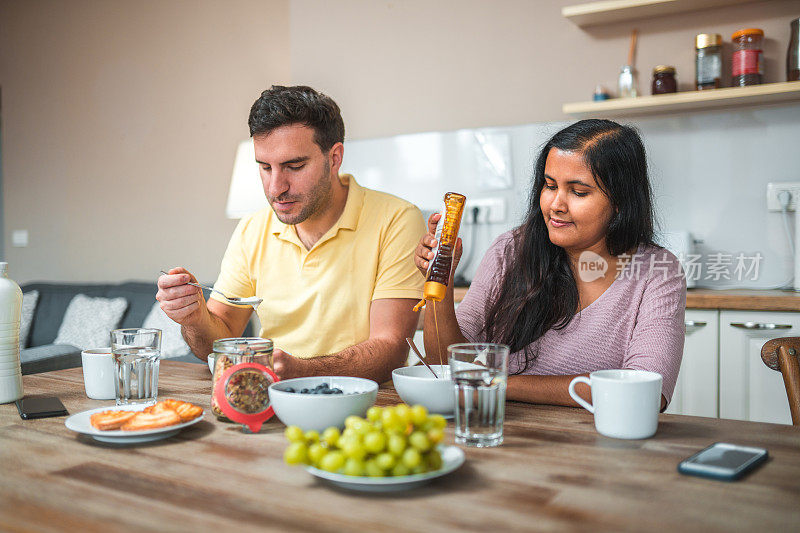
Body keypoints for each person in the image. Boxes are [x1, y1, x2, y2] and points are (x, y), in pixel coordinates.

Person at [158, 85, 425, 382]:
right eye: (265, 167)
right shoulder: (252, 229)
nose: (276, 189)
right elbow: (220, 340)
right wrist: (194, 318)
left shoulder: (396, 219)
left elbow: (391, 349)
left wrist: (303, 371)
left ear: (334, 158)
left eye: (294, 166)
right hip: (270, 399)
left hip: (366, 406)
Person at [414, 119, 685, 409]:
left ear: (620, 200)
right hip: (505, 433)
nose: (556, 204)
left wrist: (498, 381)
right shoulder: (510, 250)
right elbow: (444, 364)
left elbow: (647, 392)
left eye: (578, 192)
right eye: (549, 185)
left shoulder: (657, 271)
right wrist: (441, 279)